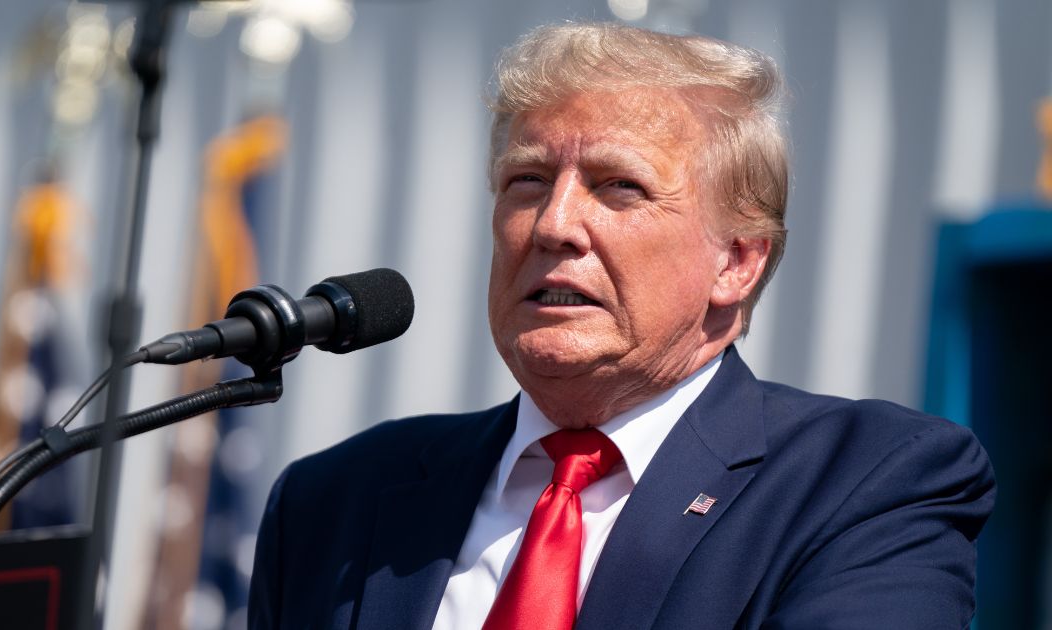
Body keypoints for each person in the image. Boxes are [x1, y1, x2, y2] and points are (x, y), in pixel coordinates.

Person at [248, 23, 995, 629]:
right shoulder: (337, 500)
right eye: (527, 181)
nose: (554, 224)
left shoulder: (866, 482)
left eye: (620, 187)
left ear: (736, 263)